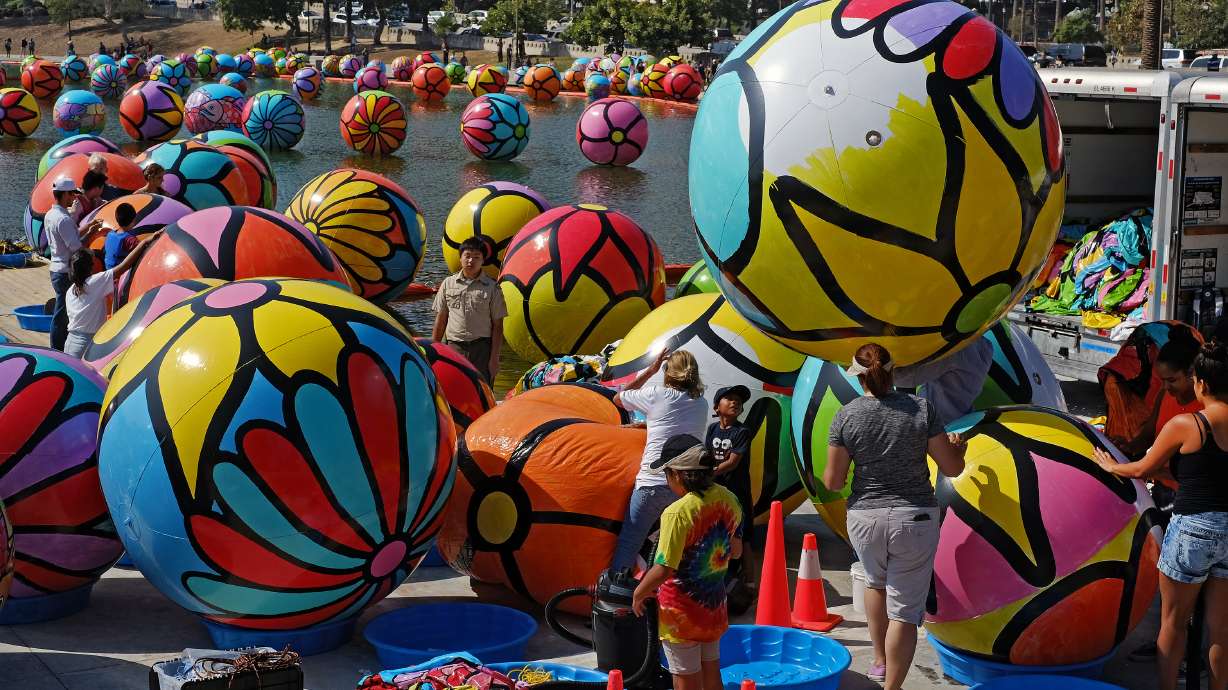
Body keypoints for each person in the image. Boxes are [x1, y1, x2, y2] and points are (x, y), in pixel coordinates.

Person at [823, 343, 967, 690]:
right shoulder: (921, 409)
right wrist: (959, 449)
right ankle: (892, 687)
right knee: (904, 611)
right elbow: (952, 468)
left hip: (865, 518)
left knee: (874, 583)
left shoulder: (846, 415)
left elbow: (833, 482)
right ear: (893, 372)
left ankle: (879, 661)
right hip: (914, 519)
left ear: (858, 377)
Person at [1094, 340, 1228, 690]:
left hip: (1193, 529)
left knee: (1173, 622)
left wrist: (1110, 465)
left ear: (1201, 383)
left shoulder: (1188, 424)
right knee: (1221, 630)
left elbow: (1141, 468)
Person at [632, 436, 742, 690]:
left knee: (685, 678)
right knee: (711, 671)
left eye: (667, 474)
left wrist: (639, 593)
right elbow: (736, 552)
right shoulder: (729, 499)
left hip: (680, 614)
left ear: (678, 475)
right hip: (713, 606)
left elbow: (663, 568)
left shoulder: (677, 513)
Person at [610, 349, 709, 572]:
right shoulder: (701, 404)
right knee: (672, 548)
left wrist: (649, 371)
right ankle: (660, 591)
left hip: (652, 483)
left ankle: (617, 589)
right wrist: (649, 425)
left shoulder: (657, 394)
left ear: (668, 371)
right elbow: (678, 426)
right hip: (685, 487)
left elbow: (618, 399)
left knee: (630, 542)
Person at [64, 235, 157, 357]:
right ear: (90, 266)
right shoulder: (94, 282)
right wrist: (144, 242)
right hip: (87, 344)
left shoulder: (71, 290)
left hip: (71, 341)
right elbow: (124, 267)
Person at [431, 236, 506, 382]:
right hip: (454, 347)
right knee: (453, 388)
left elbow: (498, 326)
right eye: (467, 256)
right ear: (460, 258)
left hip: (482, 350)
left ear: (483, 260)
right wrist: (433, 350)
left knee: (482, 389)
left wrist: (494, 359)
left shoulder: (492, 287)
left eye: (476, 257)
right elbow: (441, 320)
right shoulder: (448, 284)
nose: (471, 261)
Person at [706, 384, 755, 592]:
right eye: (729, 398)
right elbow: (708, 455)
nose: (735, 402)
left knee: (743, 536)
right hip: (716, 492)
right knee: (716, 533)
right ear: (717, 407)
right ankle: (719, 575)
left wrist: (708, 475)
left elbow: (732, 463)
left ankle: (750, 582)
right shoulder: (712, 429)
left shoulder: (742, 431)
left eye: (739, 400)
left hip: (737, 493)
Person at [45, 177, 102, 350]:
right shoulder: (64, 219)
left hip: (56, 267)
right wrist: (94, 249)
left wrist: (88, 229)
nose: (75, 198)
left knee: (63, 312)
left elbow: (70, 237)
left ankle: (59, 347)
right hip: (65, 271)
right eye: (72, 194)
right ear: (65, 194)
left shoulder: (51, 214)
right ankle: (57, 349)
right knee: (62, 315)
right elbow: (76, 248)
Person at [102, 202, 141, 269]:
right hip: (120, 273)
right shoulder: (130, 240)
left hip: (108, 270)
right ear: (133, 220)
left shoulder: (110, 234)